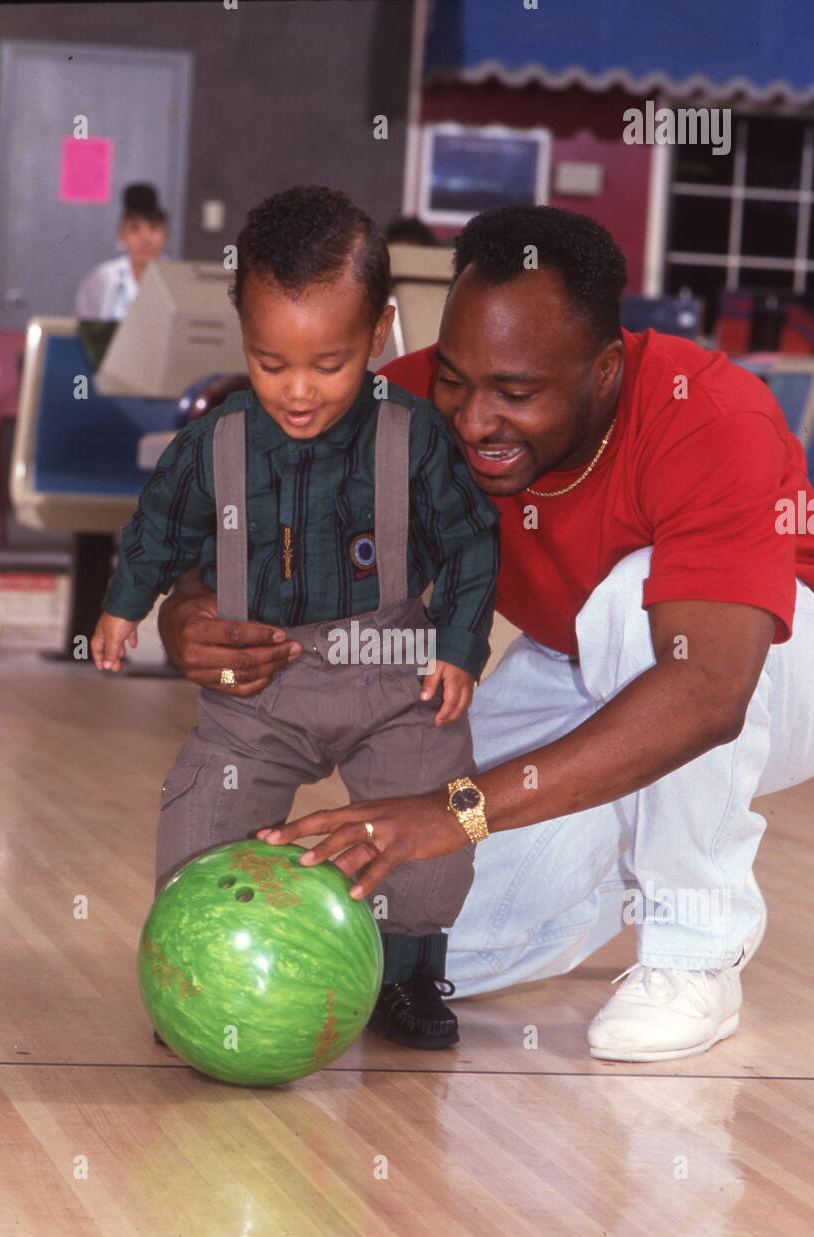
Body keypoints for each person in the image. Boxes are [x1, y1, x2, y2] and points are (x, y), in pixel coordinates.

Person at [161, 204, 814, 1063]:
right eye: (458, 380)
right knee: (404, 942)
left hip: (768, 664)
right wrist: (189, 614)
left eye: (516, 393)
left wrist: (457, 811)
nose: (473, 420)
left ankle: (694, 946)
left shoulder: (714, 416)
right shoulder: (403, 408)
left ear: (606, 369)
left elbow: (707, 694)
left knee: (628, 606)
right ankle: (628, 831)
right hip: (567, 663)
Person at [91, 186, 499, 1049]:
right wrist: (125, 609)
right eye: (272, 365)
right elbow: (160, 527)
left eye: (330, 364)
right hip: (258, 691)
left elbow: (470, 539)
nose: (300, 392)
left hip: (394, 675)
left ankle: (412, 971)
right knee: (199, 824)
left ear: (382, 332)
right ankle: (194, 973)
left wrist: (460, 648)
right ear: (243, 336)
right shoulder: (217, 442)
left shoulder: (417, 436)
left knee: (439, 820)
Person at [74, 183, 168, 321]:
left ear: (165, 234)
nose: (145, 239)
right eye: (135, 229)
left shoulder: (176, 280)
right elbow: (83, 329)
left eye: (153, 228)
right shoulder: (102, 277)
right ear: (121, 235)